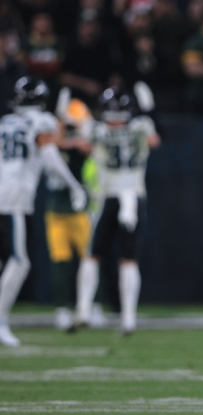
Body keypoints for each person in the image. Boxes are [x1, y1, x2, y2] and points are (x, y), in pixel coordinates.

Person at [0, 76, 86, 346]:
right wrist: (75, 185)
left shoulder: (5, 123)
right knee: (19, 260)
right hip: (13, 198)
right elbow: (50, 157)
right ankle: (0, 320)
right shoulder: (41, 121)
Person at [73, 87, 160, 335]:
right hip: (133, 196)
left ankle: (83, 309)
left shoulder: (95, 129)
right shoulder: (141, 125)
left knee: (93, 255)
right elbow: (155, 141)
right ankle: (128, 318)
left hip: (108, 197)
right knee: (129, 259)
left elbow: (81, 146)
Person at [47, 97, 95, 331]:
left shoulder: (82, 140)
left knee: (90, 259)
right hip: (56, 209)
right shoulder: (53, 139)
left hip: (79, 210)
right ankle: (62, 308)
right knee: (60, 262)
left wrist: (71, 133)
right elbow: (54, 141)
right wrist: (62, 126)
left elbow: (87, 145)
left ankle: (91, 306)